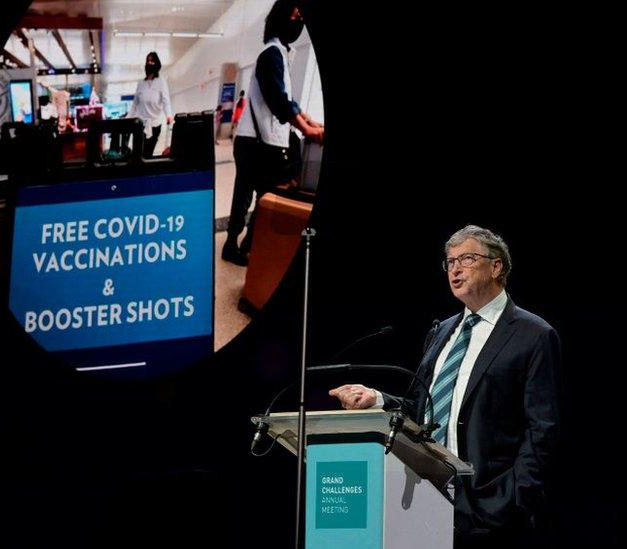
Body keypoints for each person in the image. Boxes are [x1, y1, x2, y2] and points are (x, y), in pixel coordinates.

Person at [329, 225, 562, 548]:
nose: (455, 269)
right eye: (449, 262)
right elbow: (423, 410)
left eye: (466, 259)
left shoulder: (533, 335)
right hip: (425, 496)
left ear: (497, 267)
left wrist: (513, 497)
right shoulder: (442, 332)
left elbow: (542, 430)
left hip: (491, 508)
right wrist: (376, 398)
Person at [221, 0, 324, 267]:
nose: (299, 21)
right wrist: (307, 128)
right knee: (251, 196)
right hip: (254, 142)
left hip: (262, 142)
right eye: (295, 15)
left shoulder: (280, 54)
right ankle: (234, 246)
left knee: (260, 196)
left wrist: (309, 120)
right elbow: (277, 99)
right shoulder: (271, 54)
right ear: (281, 19)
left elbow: (289, 101)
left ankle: (244, 246)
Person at [129, 51, 173, 157]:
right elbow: (135, 104)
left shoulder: (161, 82)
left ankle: (145, 172)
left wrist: (169, 116)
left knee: (148, 153)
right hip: (140, 124)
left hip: (155, 124)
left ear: (157, 64)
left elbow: (166, 101)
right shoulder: (141, 83)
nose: (150, 63)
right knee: (138, 153)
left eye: (152, 61)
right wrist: (128, 117)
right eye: (148, 61)